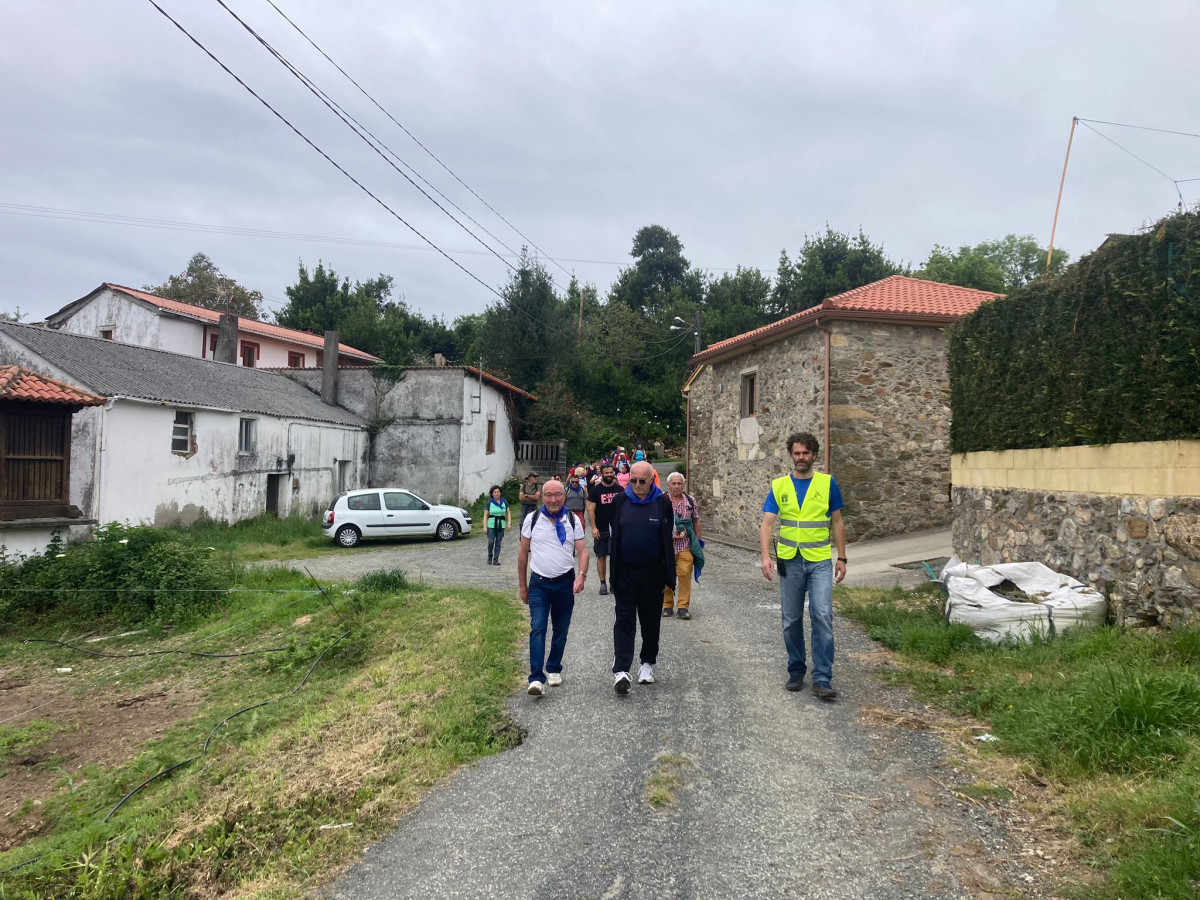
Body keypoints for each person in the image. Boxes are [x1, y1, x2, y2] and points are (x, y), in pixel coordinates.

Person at [759, 432, 847, 701]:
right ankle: (796, 670)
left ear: (814, 456)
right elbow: (767, 523)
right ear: (791, 455)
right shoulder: (779, 486)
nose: (801, 458)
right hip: (790, 561)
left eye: (805, 453)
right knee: (791, 619)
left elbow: (838, 521)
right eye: (796, 453)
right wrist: (765, 557)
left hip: (819, 561)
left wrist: (842, 557)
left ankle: (822, 677)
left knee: (822, 615)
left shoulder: (827, 483)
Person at [608, 461, 676, 693]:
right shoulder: (620, 501)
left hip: (652, 572)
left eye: (642, 481)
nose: (636, 485)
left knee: (650, 621)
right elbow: (614, 535)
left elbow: (667, 537)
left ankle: (647, 664)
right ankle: (621, 670)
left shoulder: (662, 502)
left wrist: (669, 574)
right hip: (626, 571)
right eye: (633, 480)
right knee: (624, 619)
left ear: (651, 480)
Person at [518, 479, 588, 696]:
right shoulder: (533, 519)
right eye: (548, 495)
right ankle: (536, 678)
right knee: (538, 628)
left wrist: (582, 576)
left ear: (564, 496)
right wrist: (522, 585)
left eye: (557, 495)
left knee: (561, 629)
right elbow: (522, 553)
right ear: (542, 496)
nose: (553, 499)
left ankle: (554, 667)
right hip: (539, 583)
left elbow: (583, 551)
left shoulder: (573, 520)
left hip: (565, 582)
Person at [662, 472, 702, 620]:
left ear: (683, 485)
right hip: (667, 546)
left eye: (680, 483)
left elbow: (696, 520)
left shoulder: (690, 501)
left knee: (685, 574)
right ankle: (667, 605)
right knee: (666, 574)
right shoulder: (662, 500)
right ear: (668, 485)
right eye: (674, 483)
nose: (677, 486)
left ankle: (683, 607)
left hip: (685, 545)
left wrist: (697, 540)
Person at [586, 463, 624, 596]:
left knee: (616, 556)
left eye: (610, 472)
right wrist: (594, 527)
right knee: (601, 555)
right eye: (606, 473)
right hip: (601, 528)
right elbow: (590, 509)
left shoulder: (620, 489)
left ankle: (614, 582)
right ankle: (603, 583)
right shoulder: (596, 490)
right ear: (601, 474)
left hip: (617, 529)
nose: (609, 475)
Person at [485, 484, 511, 566]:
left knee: (498, 543)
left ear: (500, 493)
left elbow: (508, 513)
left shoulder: (504, 502)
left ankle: (496, 559)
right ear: (492, 494)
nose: (496, 493)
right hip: (491, 524)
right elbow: (485, 515)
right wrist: (484, 527)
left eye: (498, 492)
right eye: (494, 492)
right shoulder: (489, 502)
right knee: (491, 541)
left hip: (501, 524)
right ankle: (490, 555)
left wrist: (509, 523)